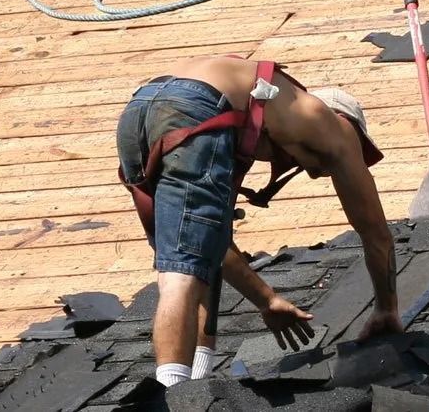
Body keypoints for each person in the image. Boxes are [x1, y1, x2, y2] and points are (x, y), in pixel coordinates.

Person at [116, 55, 398, 388]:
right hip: (193, 107)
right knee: (180, 275)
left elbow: (216, 249)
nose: (316, 173)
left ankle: (197, 381)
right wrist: (386, 308)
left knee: (189, 258)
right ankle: (173, 397)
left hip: (138, 109)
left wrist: (266, 300)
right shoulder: (332, 125)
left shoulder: (250, 114)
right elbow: (376, 234)